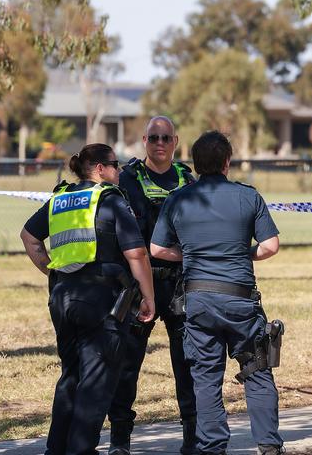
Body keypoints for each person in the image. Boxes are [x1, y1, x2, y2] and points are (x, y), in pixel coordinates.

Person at [150, 130, 284, 455]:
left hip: (199, 302)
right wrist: (242, 253)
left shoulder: (178, 199)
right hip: (241, 301)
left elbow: (156, 248)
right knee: (257, 370)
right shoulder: (248, 196)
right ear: (227, 162)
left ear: (195, 165)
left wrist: (192, 255)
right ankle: (269, 445)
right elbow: (270, 246)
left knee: (206, 378)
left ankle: (212, 448)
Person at [20, 143, 155, 455]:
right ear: (99, 169)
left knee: (71, 376)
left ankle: (57, 449)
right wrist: (148, 297)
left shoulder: (59, 198)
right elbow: (136, 253)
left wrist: (52, 271)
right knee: (96, 380)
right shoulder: (109, 199)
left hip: (62, 297)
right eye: (115, 165)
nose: (119, 171)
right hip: (101, 300)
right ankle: (80, 450)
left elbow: (28, 236)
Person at [108, 116, 198, 455]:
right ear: (144, 140)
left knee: (187, 364)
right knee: (126, 365)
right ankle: (120, 440)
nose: (159, 143)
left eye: (166, 138)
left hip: (178, 284)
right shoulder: (128, 178)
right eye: (153, 137)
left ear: (175, 141)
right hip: (136, 285)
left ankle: (192, 437)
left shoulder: (187, 180)